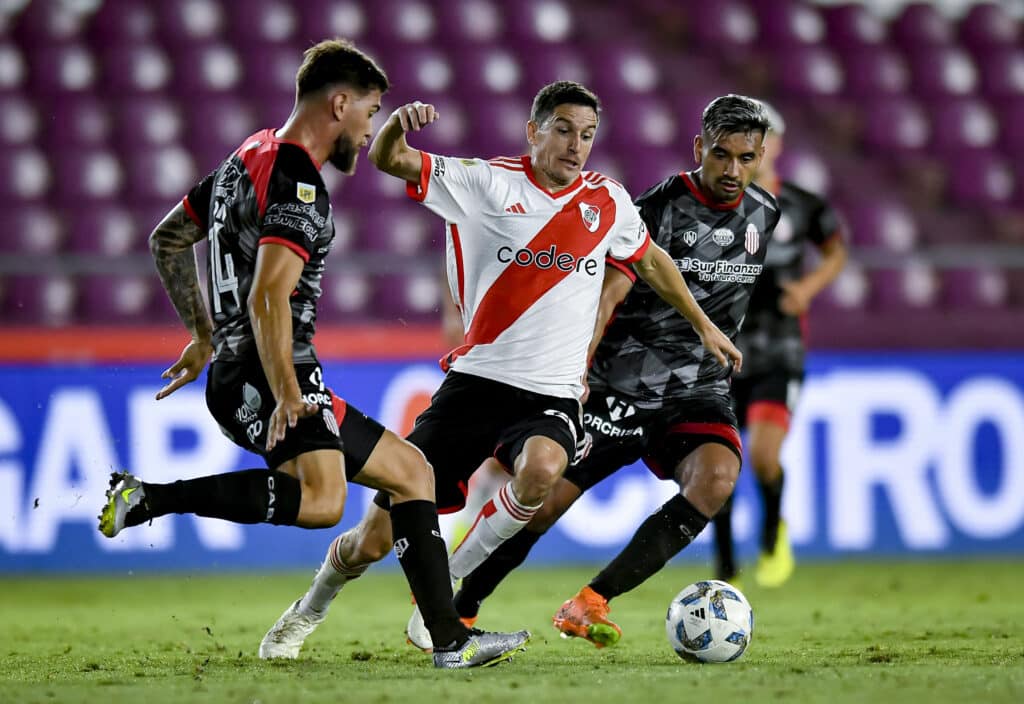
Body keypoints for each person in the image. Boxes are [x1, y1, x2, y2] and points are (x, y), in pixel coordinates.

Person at [259, 80, 742, 658]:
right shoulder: (484, 181)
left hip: (552, 393)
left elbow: (653, 261)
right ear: (533, 130)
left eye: (587, 135)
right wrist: (395, 127)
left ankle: (450, 586)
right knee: (374, 538)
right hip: (477, 384)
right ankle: (309, 608)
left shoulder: (608, 201)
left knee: (544, 467)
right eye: (563, 129)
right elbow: (390, 159)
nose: (575, 145)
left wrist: (703, 324)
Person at [95, 38, 528, 669]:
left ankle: (451, 642)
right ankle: (151, 499)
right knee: (325, 504)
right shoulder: (297, 178)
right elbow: (271, 295)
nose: (370, 126)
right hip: (274, 371)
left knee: (412, 473)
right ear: (341, 102)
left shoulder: (249, 155)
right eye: (371, 111)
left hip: (247, 367)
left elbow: (169, 238)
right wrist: (289, 394)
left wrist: (204, 334)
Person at [418, 94, 780, 650]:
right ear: (698, 148)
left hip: (695, 389)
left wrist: (714, 336)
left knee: (716, 480)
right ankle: (461, 609)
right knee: (541, 505)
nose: (733, 170)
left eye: (746, 158)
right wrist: (578, 369)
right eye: (721, 155)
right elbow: (608, 291)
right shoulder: (656, 206)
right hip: (619, 383)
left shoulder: (765, 213)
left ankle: (590, 602)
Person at [711, 103, 847, 588]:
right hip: (722, 352)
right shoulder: (711, 205)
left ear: (776, 146)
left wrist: (808, 290)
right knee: (718, 464)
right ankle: (725, 564)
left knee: (765, 457)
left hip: (779, 349)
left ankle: (771, 534)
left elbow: (836, 250)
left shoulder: (804, 205)